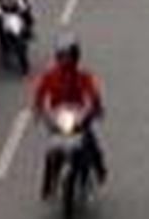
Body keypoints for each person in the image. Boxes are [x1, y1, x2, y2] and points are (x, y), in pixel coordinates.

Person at [33, 33, 108, 199]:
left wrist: (96, 108)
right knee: (51, 153)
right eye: (63, 56)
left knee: (92, 145)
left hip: (79, 117)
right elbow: (40, 93)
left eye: (69, 56)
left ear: (76, 56)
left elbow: (93, 93)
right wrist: (39, 110)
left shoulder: (83, 75)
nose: (66, 60)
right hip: (58, 119)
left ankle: (99, 172)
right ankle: (48, 186)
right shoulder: (50, 75)